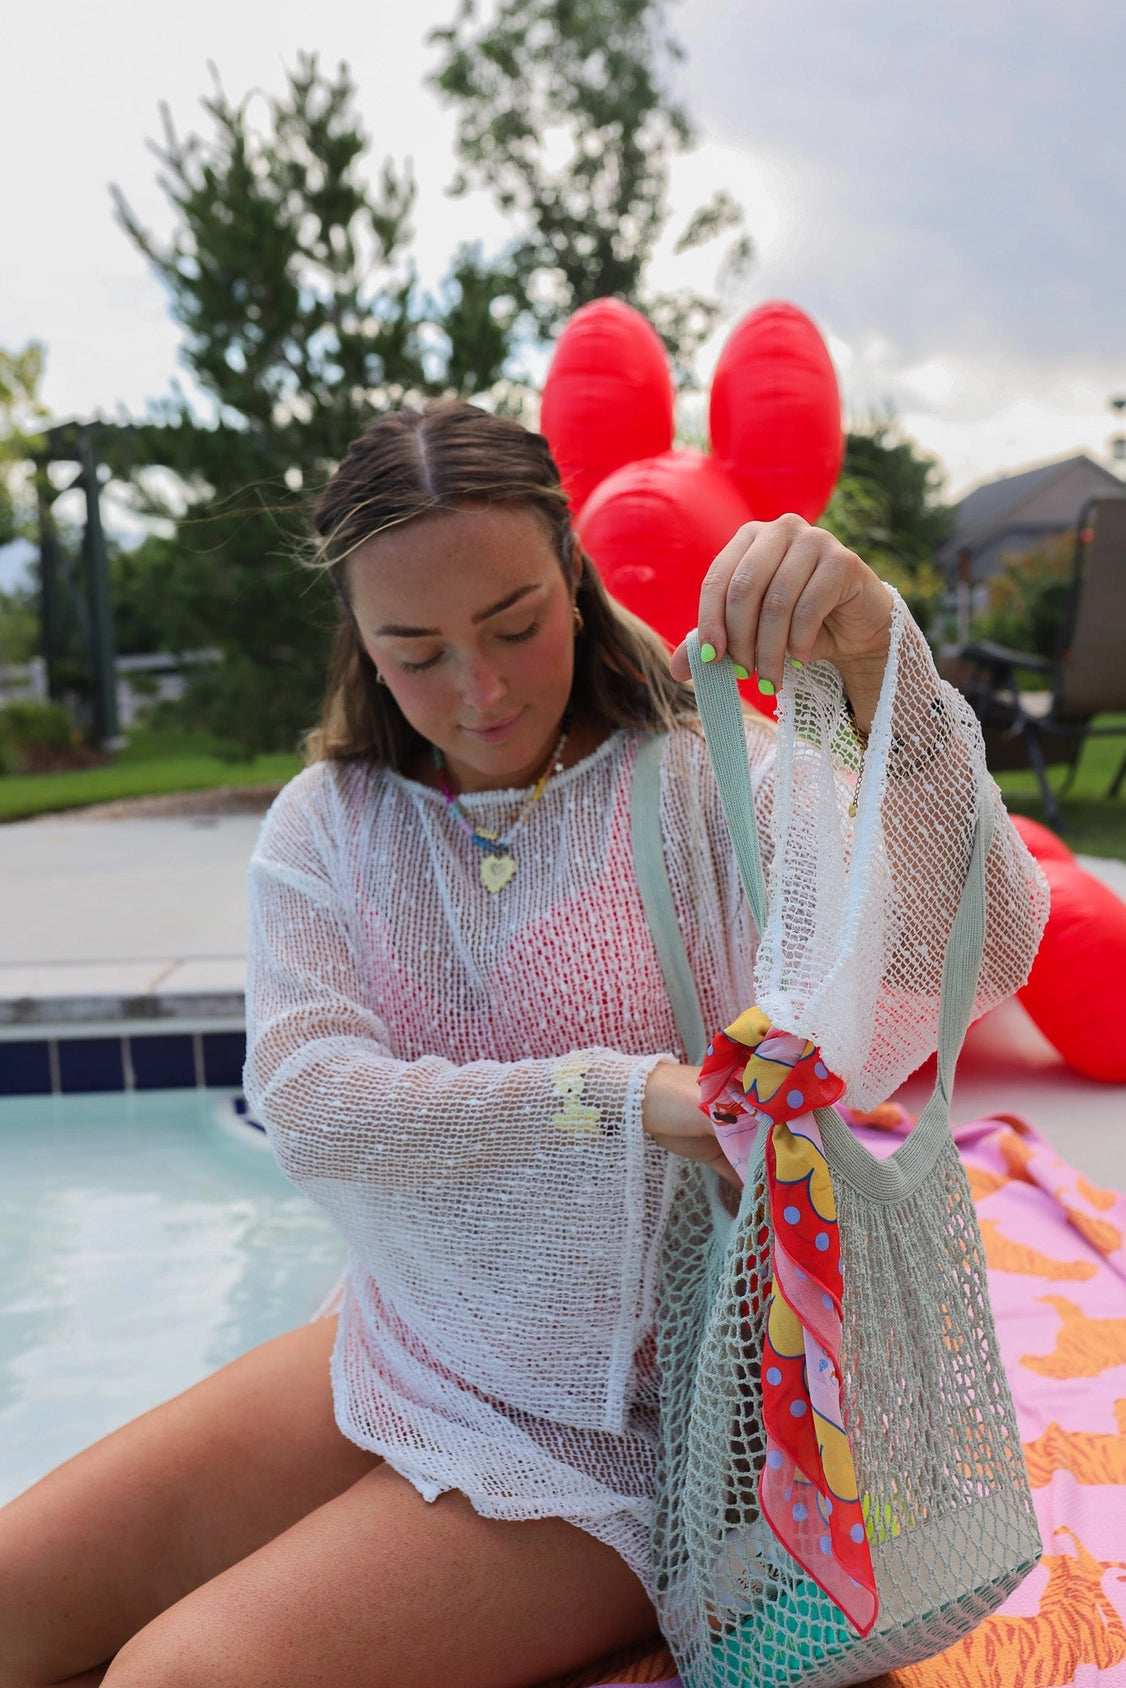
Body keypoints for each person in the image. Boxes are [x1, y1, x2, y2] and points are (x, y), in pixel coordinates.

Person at [0, 399, 1047, 1688]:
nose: (480, 689)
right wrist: (623, 1098)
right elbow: (312, 1101)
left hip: (658, 1421)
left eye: (514, 624)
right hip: (408, 1337)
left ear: (573, 570)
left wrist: (883, 667)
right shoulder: (330, 824)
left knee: (180, 1679)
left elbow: (982, 933)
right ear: (359, 640)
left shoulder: (707, 780)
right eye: (415, 650)